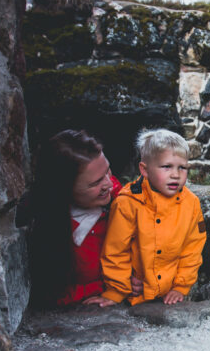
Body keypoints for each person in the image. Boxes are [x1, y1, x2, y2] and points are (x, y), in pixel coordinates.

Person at [25, 129, 138, 307]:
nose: (109, 183)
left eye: (108, 171)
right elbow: (54, 295)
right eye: (95, 183)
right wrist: (113, 286)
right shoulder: (53, 237)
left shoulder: (115, 194)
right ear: (64, 189)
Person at [97, 129, 206, 306]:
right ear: (145, 170)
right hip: (135, 294)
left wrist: (180, 286)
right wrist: (117, 291)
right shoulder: (128, 203)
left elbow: (193, 248)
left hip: (169, 294)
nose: (176, 174)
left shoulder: (191, 204)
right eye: (166, 167)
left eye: (182, 168)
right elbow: (115, 251)